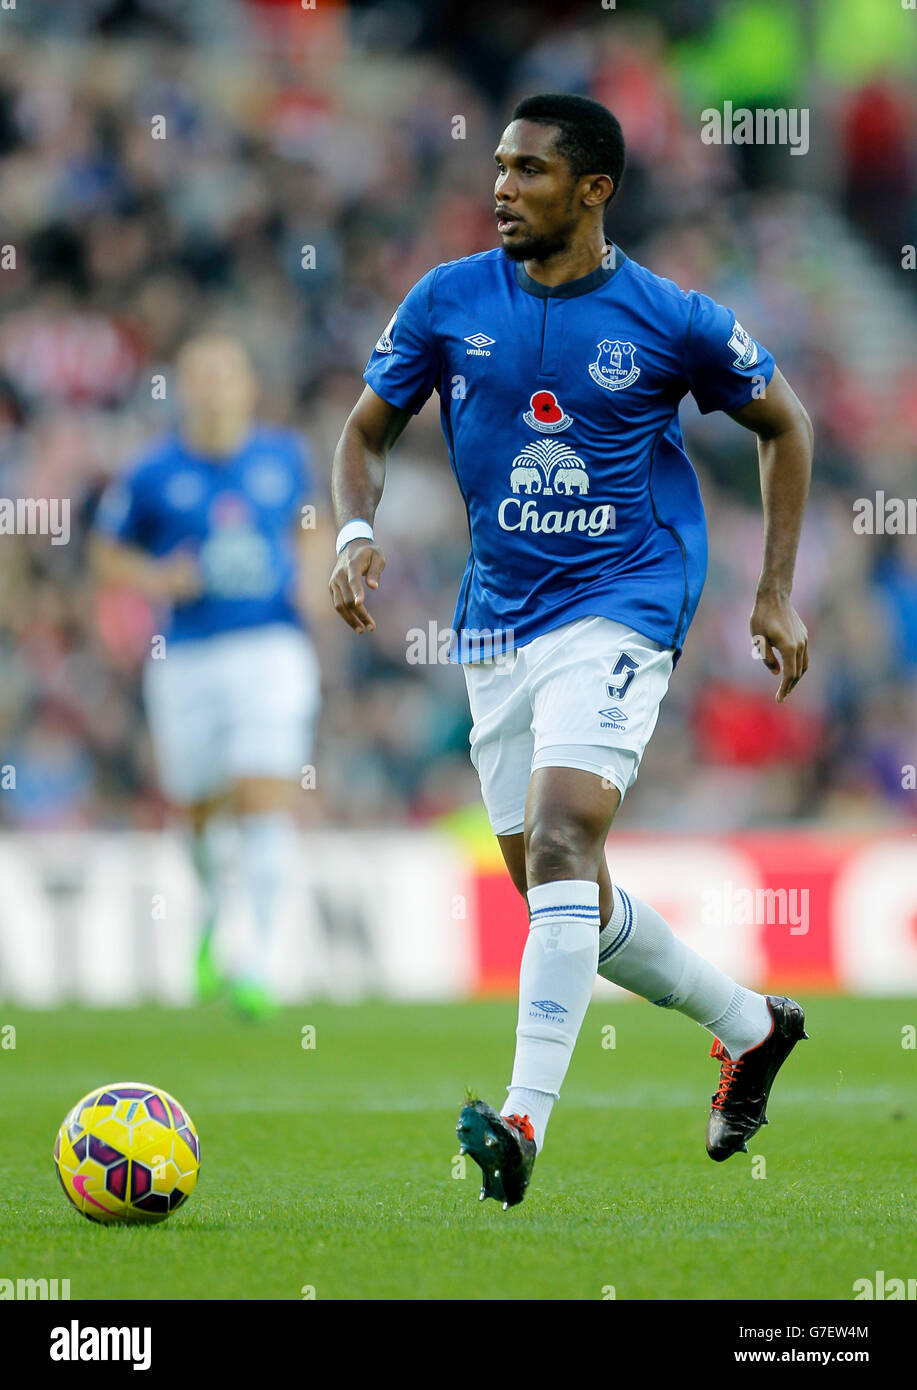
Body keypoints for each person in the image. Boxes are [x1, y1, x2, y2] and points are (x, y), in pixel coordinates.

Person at [329, 93, 812, 1206]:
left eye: (530, 171)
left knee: (560, 840)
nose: (501, 186)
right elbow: (365, 431)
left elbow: (786, 423)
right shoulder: (449, 300)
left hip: (626, 598)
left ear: (593, 190)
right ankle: (754, 1026)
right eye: (498, 167)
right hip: (495, 617)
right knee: (563, 896)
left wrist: (774, 590)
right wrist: (356, 530)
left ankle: (521, 1125)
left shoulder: (668, 316)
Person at [92, 332, 320, 1018]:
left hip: (272, 646)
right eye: (201, 377)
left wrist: (312, 575)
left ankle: (257, 960)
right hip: (186, 657)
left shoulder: (284, 457)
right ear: (182, 388)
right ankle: (213, 917)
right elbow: (106, 554)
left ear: (248, 385)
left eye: (226, 375)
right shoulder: (151, 472)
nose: (214, 389)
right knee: (198, 809)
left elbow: (312, 524)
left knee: (263, 791)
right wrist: (159, 576)